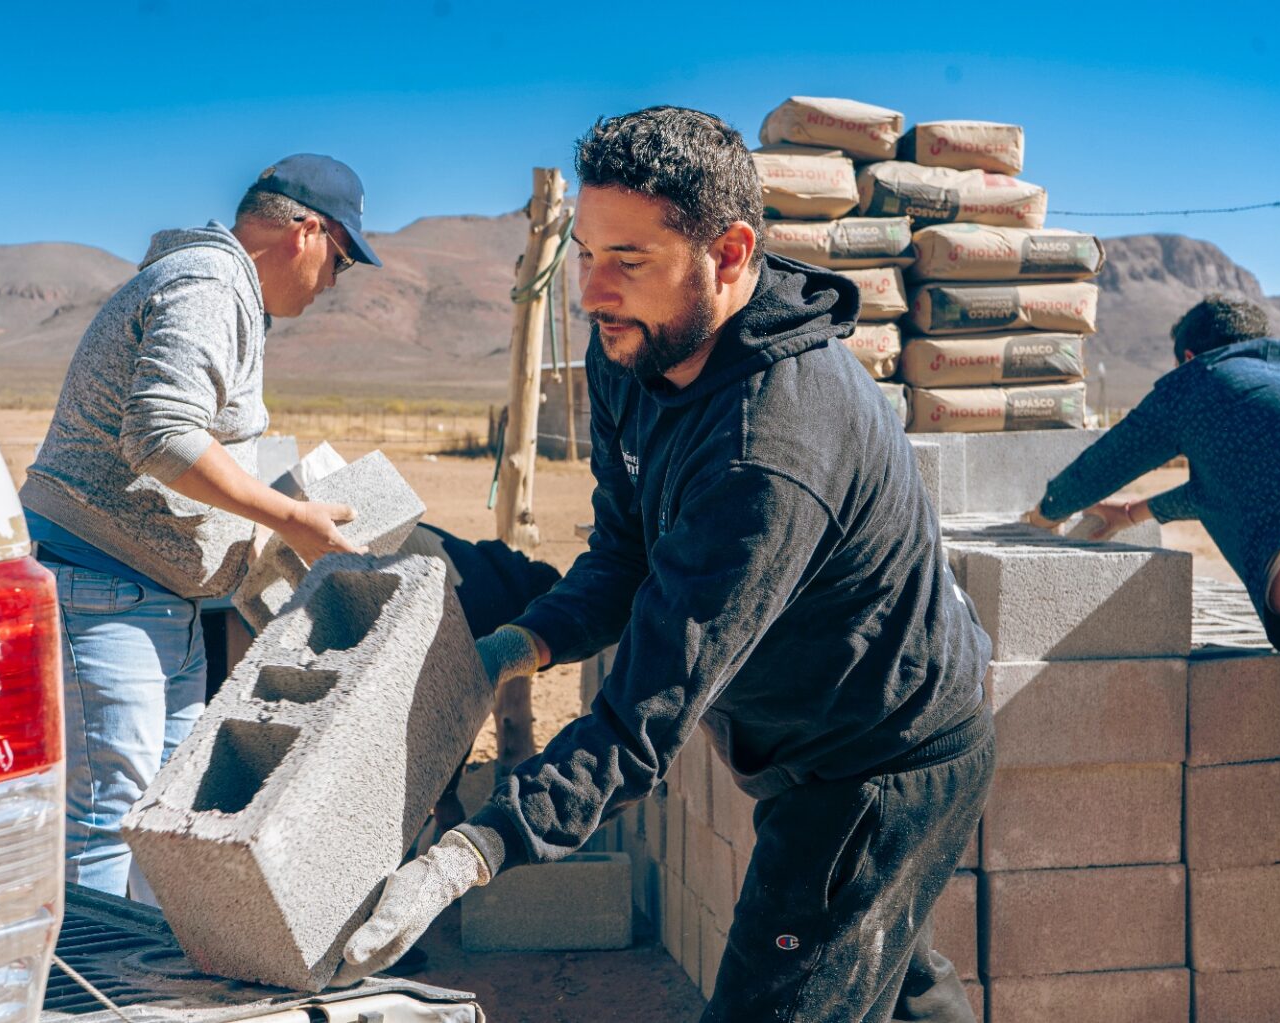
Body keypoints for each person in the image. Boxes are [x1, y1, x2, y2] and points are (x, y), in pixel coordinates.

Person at [336, 107, 994, 1023]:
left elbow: (647, 712)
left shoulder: (771, 450)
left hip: (878, 757)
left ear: (729, 254)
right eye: (585, 254)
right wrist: (513, 649)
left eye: (629, 260)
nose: (593, 291)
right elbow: (624, 556)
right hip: (801, 731)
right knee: (889, 974)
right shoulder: (633, 350)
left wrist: (469, 854)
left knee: (796, 986)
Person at [19, 155, 381, 897]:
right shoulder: (212, 285)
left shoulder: (222, 290)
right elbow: (162, 434)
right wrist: (290, 518)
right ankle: (94, 972)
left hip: (153, 599)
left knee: (160, 817)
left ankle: (141, 967)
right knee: (109, 816)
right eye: (340, 263)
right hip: (106, 591)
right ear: (307, 232)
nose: (331, 286)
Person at [1024, 295, 1280, 652]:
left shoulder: (1197, 381)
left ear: (1188, 359)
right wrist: (1132, 513)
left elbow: (1104, 465)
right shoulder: (1272, 387)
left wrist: (1043, 515)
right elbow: (1223, 493)